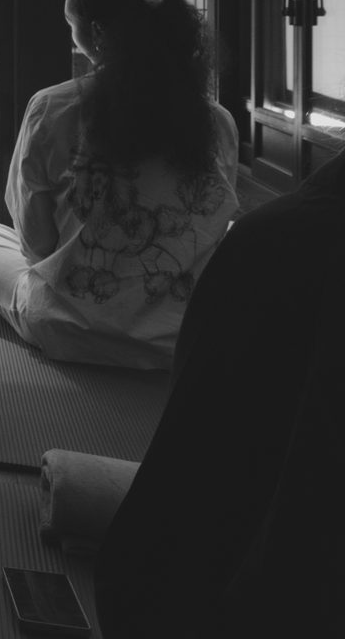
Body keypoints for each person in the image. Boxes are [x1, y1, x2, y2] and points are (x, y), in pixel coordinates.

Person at [95, 152, 344, 637]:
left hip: (72, 319)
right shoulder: (219, 126)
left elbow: (33, 237)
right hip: (164, 327)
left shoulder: (270, 239)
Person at [0, 0, 239, 369]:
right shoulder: (218, 122)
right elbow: (213, 226)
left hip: (69, 327)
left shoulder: (52, 107)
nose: (71, 36)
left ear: (98, 32)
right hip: (178, 335)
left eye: (72, 24)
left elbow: (36, 245)